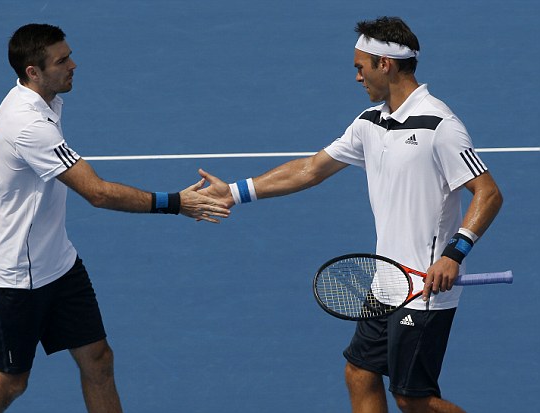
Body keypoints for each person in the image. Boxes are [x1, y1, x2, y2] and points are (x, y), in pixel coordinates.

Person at [198, 16, 503, 413]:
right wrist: (236, 193)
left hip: (423, 289)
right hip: (385, 282)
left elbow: (489, 192)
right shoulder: (369, 123)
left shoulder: (440, 125)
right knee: (359, 372)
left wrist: (454, 253)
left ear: (385, 65)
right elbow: (311, 168)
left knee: (412, 400)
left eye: (361, 67)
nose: (357, 77)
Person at [0, 23, 229, 413]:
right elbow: (98, 192)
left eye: (69, 54)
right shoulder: (29, 124)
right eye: (62, 60)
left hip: (59, 263)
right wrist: (176, 202)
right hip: (19, 280)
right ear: (33, 71)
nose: (74, 64)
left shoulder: (29, 97)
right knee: (11, 380)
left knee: (99, 360)